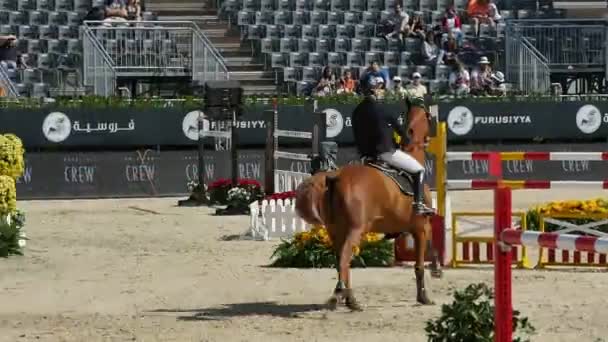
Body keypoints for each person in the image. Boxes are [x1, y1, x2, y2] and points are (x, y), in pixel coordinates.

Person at [350, 79, 434, 216]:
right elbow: (402, 132)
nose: (381, 91)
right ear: (374, 90)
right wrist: (406, 141)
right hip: (385, 153)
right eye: (379, 88)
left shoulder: (356, 111)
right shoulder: (382, 108)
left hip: (364, 156)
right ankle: (418, 204)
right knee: (419, 170)